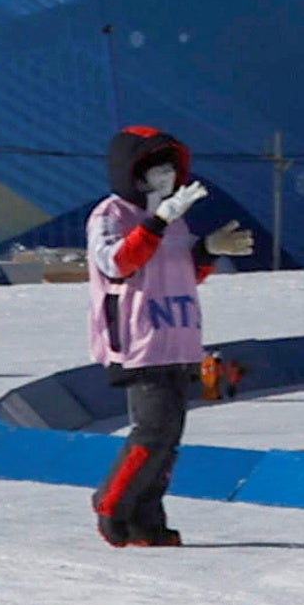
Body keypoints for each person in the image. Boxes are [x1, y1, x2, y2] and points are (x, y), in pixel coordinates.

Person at [88, 126, 216, 548]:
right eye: (155, 171)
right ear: (133, 173)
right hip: (139, 340)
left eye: (169, 170)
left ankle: (147, 518)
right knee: (152, 430)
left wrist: (211, 250)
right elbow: (117, 263)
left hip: (177, 336)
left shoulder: (175, 220)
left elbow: (183, 273)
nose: (164, 179)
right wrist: (158, 221)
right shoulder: (110, 214)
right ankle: (113, 503)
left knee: (169, 439)